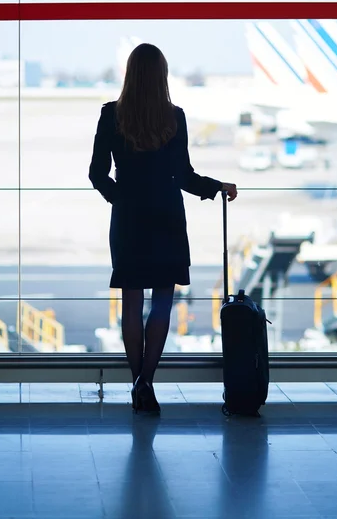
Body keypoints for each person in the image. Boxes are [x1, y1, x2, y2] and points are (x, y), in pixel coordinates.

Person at [89, 43, 237, 414]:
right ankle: (146, 382)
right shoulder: (175, 117)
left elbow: (96, 173)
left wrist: (119, 198)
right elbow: (184, 176)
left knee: (131, 303)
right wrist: (216, 187)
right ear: (162, 76)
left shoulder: (111, 115)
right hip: (167, 217)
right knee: (161, 305)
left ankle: (137, 382)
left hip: (129, 219)